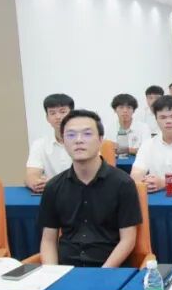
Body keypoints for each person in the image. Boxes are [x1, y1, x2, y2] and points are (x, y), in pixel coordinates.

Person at [38, 110, 142, 268]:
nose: (78, 140)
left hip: (110, 270)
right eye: (71, 135)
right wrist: (51, 273)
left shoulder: (123, 184)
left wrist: (102, 273)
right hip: (66, 270)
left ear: (100, 140)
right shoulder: (53, 187)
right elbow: (48, 240)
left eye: (87, 134)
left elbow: (128, 240)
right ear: (63, 141)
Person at [25, 93, 74, 193]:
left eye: (63, 112)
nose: (58, 117)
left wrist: (55, 184)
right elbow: (31, 174)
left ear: (73, 115)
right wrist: (35, 183)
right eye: (52, 113)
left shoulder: (85, 141)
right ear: (47, 118)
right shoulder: (39, 144)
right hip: (51, 195)